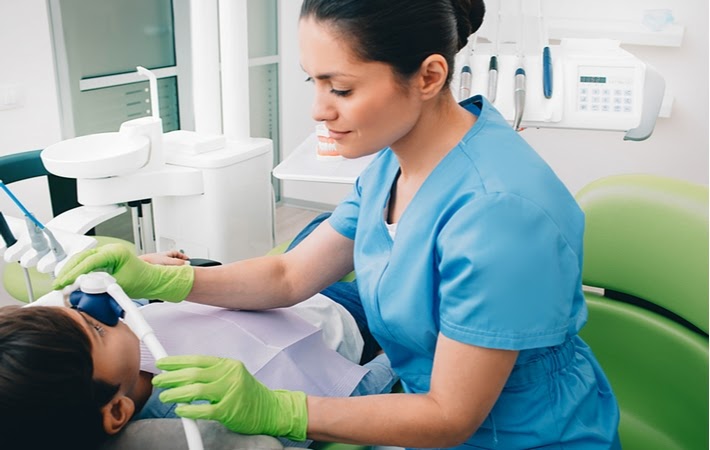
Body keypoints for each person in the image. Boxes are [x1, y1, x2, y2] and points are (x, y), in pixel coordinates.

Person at [53, 0, 622, 448]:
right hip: (422, 404)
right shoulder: (396, 163)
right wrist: (167, 283)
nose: (319, 109)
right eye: (314, 82)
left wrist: (279, 409)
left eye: (341, 88)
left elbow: (450, 417)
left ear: (428, 76)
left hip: (516, 437)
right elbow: (289, 276)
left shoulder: (499, 217)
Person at [0, 252, 397, 450]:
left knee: (337, 227)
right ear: (117, 411)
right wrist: (400, 353)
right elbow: (357, 398)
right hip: (341, 311)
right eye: (92, 324)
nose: (97, 311)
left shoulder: (121, 347)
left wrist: (148, 272)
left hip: (269, 283)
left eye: (74, 308)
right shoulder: (210, 415)